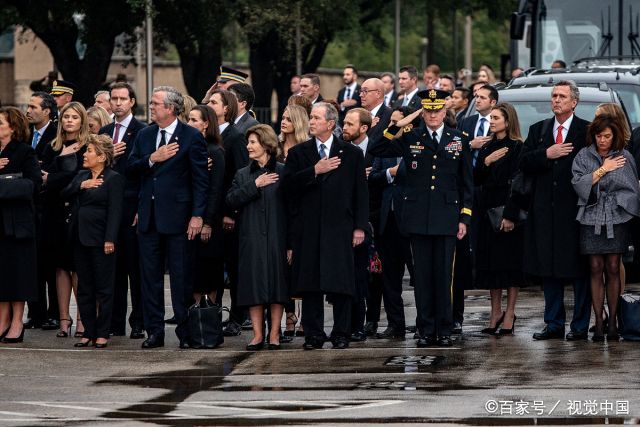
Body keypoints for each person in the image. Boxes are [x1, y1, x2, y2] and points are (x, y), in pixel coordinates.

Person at [369, 89, 473, 347]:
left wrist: (464, 218)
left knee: (443, 277)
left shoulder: (458, 138)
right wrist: (399, 124)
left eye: (437, 110)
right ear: (422, 112)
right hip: (417, 217)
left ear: (444, 111)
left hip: (448, 217)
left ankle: (444, 328)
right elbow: (377, 147)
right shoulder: (411, 136)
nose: (433, 115)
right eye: (428, 110)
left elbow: (466, 184)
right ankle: (426, 329)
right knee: (423, 277)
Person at [282, 102, 369, 350]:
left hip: (340, 228)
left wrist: (359, 227)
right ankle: (314, 334)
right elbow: (287, 188)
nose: (311, 121)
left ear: (330, 124)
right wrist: (314, 170)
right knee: (311, 284)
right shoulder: (299, 153)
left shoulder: (351, 154)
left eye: (316, 118)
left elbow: (360, 194)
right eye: (310, 117)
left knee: (341, 283)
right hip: (308, 229)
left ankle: (342, 332)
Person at [128, 86, 209, 349]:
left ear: (171, 108)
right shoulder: (145, 135)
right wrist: (152, 158)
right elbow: (131, 167)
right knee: (149, 277)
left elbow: (200, 180)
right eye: (151, 102)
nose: (150, 107)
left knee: (181, 276)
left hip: (179, 218)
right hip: (149, 217)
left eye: (155, 103)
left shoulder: (191, 136)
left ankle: (186, 332)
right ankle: (155, 331)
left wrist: (198, 216)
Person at [521, 80, 592, 341]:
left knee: (578, 271)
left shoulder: (586, 131)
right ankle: (553, 323)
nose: (556, 100)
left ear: (574, 102)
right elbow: (524, 161)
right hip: (544, 214)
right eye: (554, 96)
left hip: (575, 213)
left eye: (562, 96)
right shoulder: (539, 130)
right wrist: (546, 154)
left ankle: (580, 325)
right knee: (548, 269)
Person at [571, 115, 640, 341]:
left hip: (615, 217)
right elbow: (578, 183)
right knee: (594, 266)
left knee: (612, 266)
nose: (603, 141)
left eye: (607, 136)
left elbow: (631, 188)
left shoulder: (624, 156)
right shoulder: (583, 155)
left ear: (615, 135)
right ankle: (598, 321)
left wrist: (617, 201)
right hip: (590, 216)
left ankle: (613, 322)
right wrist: (603, 170)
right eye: (599, 136)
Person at [227, 125, 289, 350]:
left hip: (277, 238)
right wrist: (255, 185)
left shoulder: (283, 171)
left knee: (277, 287)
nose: (248, 147)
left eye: (253, 142)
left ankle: (274, 334)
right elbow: (231, 200)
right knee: (254, 287)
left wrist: (290, 244)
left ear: (266, 144)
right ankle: (257, 335)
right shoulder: (243, 174)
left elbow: (293, 208)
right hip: (250, 238)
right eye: (248, 142)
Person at [61, 134, 124, 348]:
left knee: (104, 288)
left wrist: (110, 238)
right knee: (85, 287)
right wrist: (82, 185)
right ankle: (88, 330)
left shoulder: (113, 178)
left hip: (101, 240)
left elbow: (116, 211)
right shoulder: (81, 175)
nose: (85, 155)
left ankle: (103, 331)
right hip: (79, 238)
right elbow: (64, 193)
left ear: (102, 156)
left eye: (89, 151)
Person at [99, 81, 147, 339]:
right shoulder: (105, 131)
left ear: (131, 102)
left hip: (131, 206)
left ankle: (138, 320)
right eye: (113, 99)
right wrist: (109, 156)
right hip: (108, 208)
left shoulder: (142, 131)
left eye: (122, 99)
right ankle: (115, 321)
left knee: (135, 269)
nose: (117, 103)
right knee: (113, 269)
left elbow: (143, 171)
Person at [474, 103, 526, 335]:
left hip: (507, 210)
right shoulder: (487, 146)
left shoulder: (517, 147)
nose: (492, 121)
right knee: (491, 266)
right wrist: (486, 161)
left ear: (508, 120)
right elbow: (476, 178)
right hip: (486, 211)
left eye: (496, 117)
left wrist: (510, 215)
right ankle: (495, 312)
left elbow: (519, 183)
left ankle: (510, 312)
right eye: (491, 118)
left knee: (510, 265)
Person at [40, 101, 90, 339]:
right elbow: (44, 180)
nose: (69, 120)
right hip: (55, 213)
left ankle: (82, 319)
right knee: (60, 267)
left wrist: (58, 177)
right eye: (66, 117)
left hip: (79, 213)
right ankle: (63, 319)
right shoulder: (53, 147)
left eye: (74, 117)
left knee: (78, 267)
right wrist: (61, 169)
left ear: (82, 121)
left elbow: (80, 179)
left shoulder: (88, 146)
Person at [369, 107, 416, 339]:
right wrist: (390, 172)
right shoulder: (385, 149)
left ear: (408, 124)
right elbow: (374, 176)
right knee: (390, 278)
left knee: (419, 276)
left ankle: (425, 323)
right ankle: (395, 325)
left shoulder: (416, 145)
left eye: (396, 122)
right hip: (388, 220)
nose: (391, 125)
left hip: (412, 221)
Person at [207, 89, 250, 336]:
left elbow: (241, 176)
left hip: (228, 214)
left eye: (214, 102)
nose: (209, 105)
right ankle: (212, 313)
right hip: (211, 214)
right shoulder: (208, 137)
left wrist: (231, 212)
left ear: (227, 109)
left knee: (233, 268)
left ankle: (237, 316)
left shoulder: (235, 137)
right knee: (213, 266)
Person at [0, 107, 42, 343]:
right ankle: (2, 319)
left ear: (13, 128)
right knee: (2, 275)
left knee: (18, 275)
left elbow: (32, 185)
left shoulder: (24, 152)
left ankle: (17, 320)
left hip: (17, 224)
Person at [24, 92, 59, 331]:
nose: (28, 110)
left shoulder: (55, 135)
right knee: (32, 264)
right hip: (29, 206)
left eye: (33, 106)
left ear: (47, 111)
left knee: (50, 263)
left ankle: (55, 313)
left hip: (49, 206)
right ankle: (35, 313)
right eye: (28, 106)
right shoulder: (25, 134)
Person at [187, 105, 225, 304]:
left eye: (194, 120)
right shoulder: (191, 147)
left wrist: (208, 222)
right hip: (189, 218)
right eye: (189, 119)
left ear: (206, 124)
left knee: (208, 271)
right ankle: (195, 318)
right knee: (193, 272)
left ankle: (209, 319)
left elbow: (216, 189)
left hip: (208, 222)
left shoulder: (215, 151)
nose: (189, 124)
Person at [277, 104, 309, 337]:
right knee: (284, 266)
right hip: (280, 211)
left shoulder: (307, 150)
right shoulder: (276, 148)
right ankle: (289, 316)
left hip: (302, 213)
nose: (283, 121)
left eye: (288, 118)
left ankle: (306, 316)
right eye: (282, 118)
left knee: (303, 265)